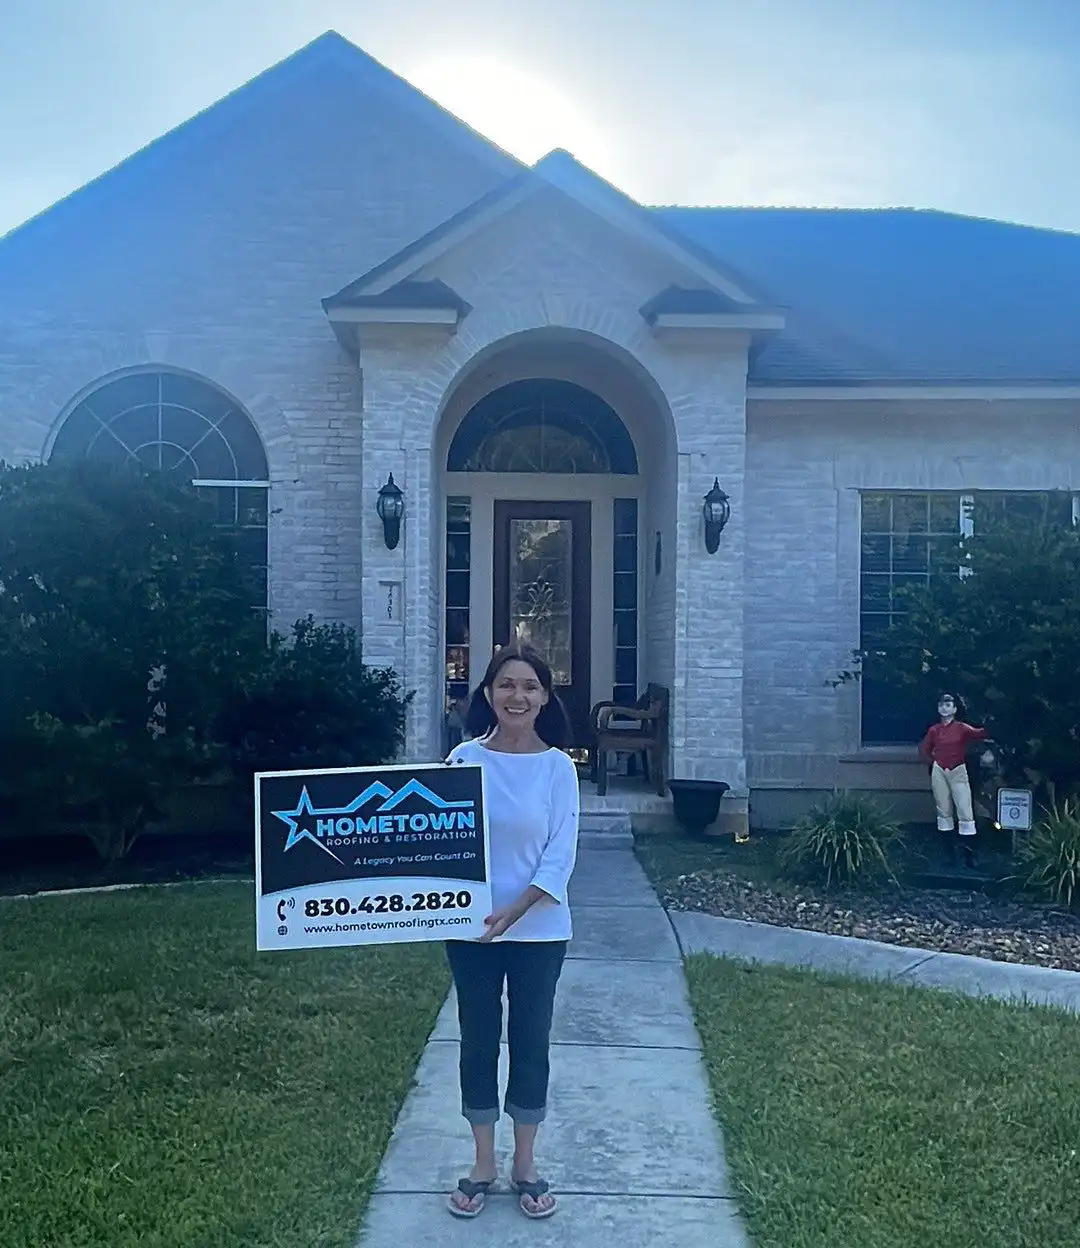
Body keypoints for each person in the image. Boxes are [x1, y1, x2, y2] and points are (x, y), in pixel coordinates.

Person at [442, 643, 579, 1221]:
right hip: (470, 931)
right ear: (488, 693)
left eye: (529, 686)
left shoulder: (559, 768)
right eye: (506, 684)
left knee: (530, 1042)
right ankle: (482, 1164)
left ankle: (525, 1163)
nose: (517, 696)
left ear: (545, 697)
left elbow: (559, 856)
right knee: (477, 1040)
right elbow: (437, 839)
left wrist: (515, 912)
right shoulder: (461, 760)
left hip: (539, 932)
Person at [918, 692, 989, 865]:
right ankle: (950, 854)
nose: (944, 708)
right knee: (943, 811)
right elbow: (923, 749)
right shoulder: (934, 730)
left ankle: (970, 855)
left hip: (957, 769)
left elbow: (980, 734)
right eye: (941, 705)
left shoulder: (961, 728)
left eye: (948, 705)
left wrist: (990, 724)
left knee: (965, 810)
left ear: (954, 709)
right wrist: (933, 762)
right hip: (940, 770)